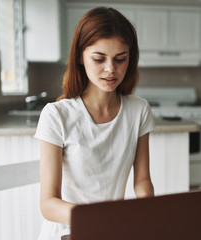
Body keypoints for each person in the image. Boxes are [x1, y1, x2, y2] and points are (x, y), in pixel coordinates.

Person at [34, 7, 155, 240]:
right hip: (67, 233)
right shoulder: (56, 115)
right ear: (80, 56)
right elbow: (48, 204)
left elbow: (142, 180)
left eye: (120, 59)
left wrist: (146, 211)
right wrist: (98, 217)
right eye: (99, 59)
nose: (111, 69)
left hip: (111, 231)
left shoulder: (139, 110)